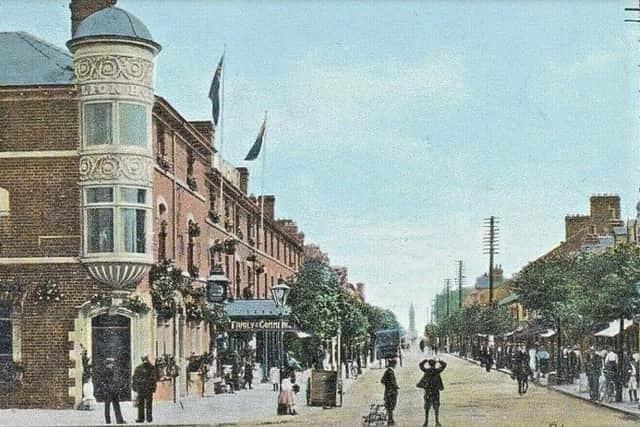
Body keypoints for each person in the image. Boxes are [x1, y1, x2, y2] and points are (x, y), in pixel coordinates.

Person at [417, 357, 446, 427]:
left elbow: (420, 365)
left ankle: (426, 422)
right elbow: (444, 365)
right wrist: (439, 361)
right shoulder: (437, 371)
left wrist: (425, 360)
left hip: (428, 391)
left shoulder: (427, 371)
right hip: (435, 391)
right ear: (435, 364)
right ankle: (437, 421)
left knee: (427, 407)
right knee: (436, 407)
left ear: (429, 364)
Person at [132, 354, 158, 423]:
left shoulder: (138, 368)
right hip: (148, 389)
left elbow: (134, 379)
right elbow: (154, 379)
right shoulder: (151, 367)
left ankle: (141, 418)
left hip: (141, 389)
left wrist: (134, 387)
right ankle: (149, 418)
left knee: (141, 404)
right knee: (149, 404)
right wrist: (153, 388)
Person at [101, 358, 125, 425]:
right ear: (108, 364)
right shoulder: (106, 371)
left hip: (113, 390)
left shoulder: (112, 370)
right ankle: (109, 421)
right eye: (111, 363)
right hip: (109, 391)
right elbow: (105, 382)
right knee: (108, 406)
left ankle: (119, 420)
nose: (112, 364)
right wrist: (108, 388)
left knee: (115, 405)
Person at [381, 358, 399, 425]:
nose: (395, 366)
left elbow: (382, 381)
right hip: (391, 392)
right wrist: (395, 387)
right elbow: (392, 382)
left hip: (388, 391)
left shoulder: (387, 371)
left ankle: (390, 420)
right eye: (395, 364)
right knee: (391, 407)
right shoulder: (390, 372)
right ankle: (390, 420)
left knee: (389, 407)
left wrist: (386, 385)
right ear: (393, 364)